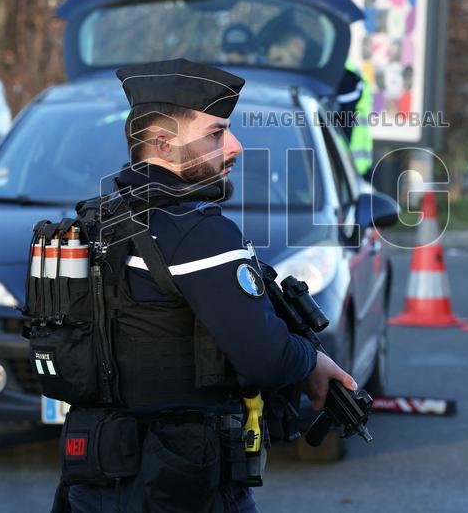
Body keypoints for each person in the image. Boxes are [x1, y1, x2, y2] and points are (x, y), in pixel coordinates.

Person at [63, 58, 357, 512]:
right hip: (178, 483)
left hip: (94, 474)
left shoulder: (99, 220)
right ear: (163, 143)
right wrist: (310, 358)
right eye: (216, 134)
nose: (235, 147)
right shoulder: (197, 232)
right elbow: (265, 359)